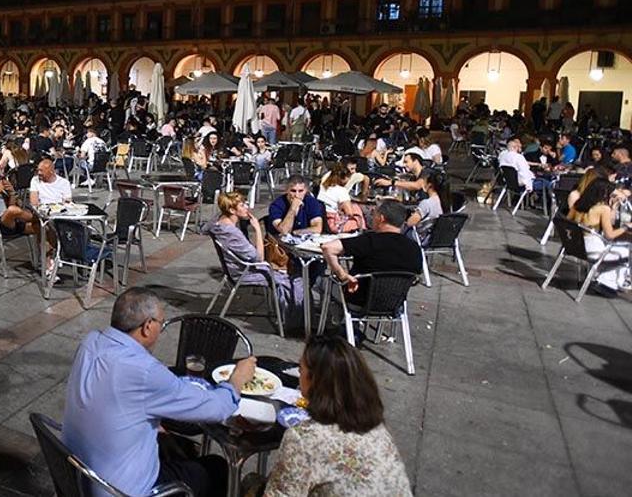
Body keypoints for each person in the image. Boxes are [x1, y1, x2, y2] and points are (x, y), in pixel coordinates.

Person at [64, 287, 257, 497]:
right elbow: (216, 408)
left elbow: (106, 399)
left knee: (171, 443)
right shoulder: (144, 370)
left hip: (75, 474)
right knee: (217, 468)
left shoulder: (89, 342)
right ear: (147, 326)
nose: (160, 331)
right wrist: (236, 380)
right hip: (119, 490)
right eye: (161, 324)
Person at [261, 335, 412, 496]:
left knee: (252, 483)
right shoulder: (376, 428)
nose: (299, 377)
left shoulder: (303, 439)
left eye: (300, 370)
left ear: (315, 381)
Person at [201, 191, 304, 319]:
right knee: (295, 280)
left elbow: (204, 228)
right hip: (245, 273)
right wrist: (258, 230)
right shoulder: (232, 234)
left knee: (288, 272)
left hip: (235, 269)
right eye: (242, 205)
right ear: (232, 211)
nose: (247, 207)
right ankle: (295, 320)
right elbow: (258, 258)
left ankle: (290, 315)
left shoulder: (218, 222)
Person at [321, 200, 423, 301]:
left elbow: (328, 248)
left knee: (322, 283)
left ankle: (330, 316)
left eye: (374, 214)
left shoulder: (369, 241)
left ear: (381, 218)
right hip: (394, 303)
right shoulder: (414, 248)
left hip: (359, 299)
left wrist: (342, 275)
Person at [567, 179, 630, 296]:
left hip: (576, 246)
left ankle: (604, 280)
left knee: (618, 250)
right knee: (626, 251)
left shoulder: (578, 204)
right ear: (604, 193)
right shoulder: (602, 209)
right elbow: (610, 235)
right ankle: (607, 283)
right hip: (593, 251)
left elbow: (568, 220)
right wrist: (626, 227)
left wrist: (614, 205)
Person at [406, 171, 450, 245]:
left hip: (422, 237)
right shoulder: (445, 202)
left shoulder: (426, 203)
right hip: (438, 236)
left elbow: (410, 223)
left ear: (429, 185)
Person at [318, 164, 363, 233]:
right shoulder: (341, 191)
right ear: (344, 178)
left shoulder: (323, 186)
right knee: (356, 209)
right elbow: (349, 213)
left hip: (322, 218)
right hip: (333, 224)